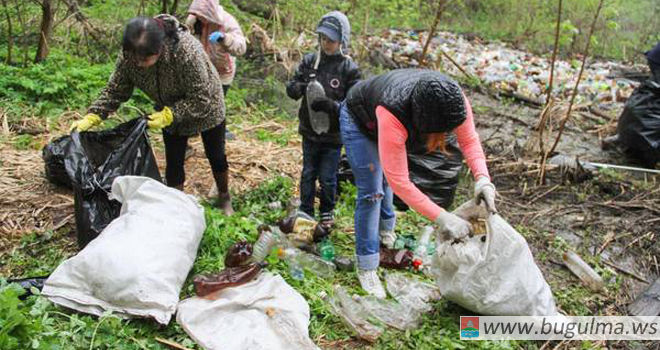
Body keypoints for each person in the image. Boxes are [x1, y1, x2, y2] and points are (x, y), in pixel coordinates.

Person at [340, 69, 497, 298]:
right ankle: (366, 265)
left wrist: (483, 179)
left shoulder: (453, 101)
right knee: (372, 190)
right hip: (359, 120)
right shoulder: (393, 111)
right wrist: (442, 217)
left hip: (385, 114)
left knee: (384, 178)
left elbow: (469, 140)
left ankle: (385, 232)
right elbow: (400, 181)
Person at [69, 15, 235, 215]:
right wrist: (94, 115)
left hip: (207, 104)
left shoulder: (186, 51)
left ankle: (224, 197)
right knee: (174, 161)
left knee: (215, 154)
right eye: (134, 57)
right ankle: (175, 208)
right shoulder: (129, 56)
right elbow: (116, 89)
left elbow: (202, 97)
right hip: (169, 107)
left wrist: (171, 114)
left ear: (160, 48)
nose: (138, 63)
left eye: (144, 59)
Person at [286, 11, 361, 228]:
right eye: (323, 39)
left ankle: (327, 211)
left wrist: (332, 106)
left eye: (331, 40)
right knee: (308, 172)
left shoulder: (349, 69)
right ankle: (306, 210)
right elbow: (292, 89)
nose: (326, 44)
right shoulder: (311, 61)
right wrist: (300, 87)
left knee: (328, 176)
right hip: (309, 130)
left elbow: (354, 105)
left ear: (342, 41)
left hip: (334, 135)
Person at [185, 0, 246, 95]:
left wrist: (224, 39)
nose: (200, 17)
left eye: (203, 15)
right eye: (198, 14)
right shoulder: (193, 20)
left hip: (222, 72)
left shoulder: (227, 22)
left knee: (216, 104)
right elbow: (186, 38)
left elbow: (241, 48)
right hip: (201, 69)